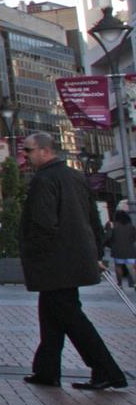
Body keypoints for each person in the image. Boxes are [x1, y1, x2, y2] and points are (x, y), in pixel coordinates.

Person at [18, 132, 127, 391]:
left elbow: (43, 223)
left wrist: (34, 253)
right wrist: (96, 252)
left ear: (45, 151)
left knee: (72, 319)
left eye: (29, 151)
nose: (26, 156)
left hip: (55, 261)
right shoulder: (76, 177)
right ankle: (46, 370)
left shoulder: (44, 180)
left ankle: (107, 371)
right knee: (51, 315)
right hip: (74, 258)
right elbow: (93, 218)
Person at [105, 208, 136, 289]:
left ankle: (120, 283)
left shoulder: (113, 226)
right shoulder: (131, 226)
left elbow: (108, 237)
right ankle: (134, 282)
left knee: (118, 266)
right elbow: (134, 237)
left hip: (117, 249)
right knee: (132, 267)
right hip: (130, 249)